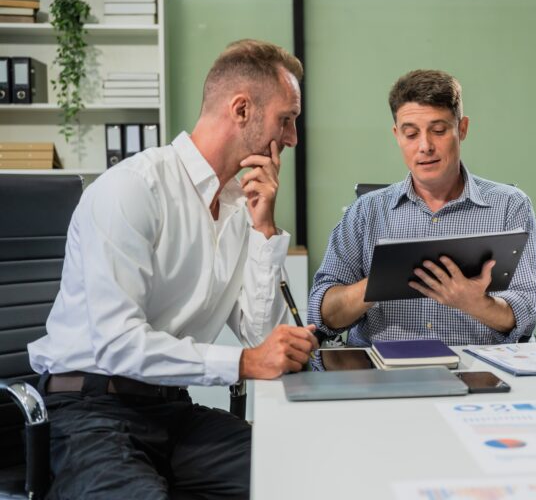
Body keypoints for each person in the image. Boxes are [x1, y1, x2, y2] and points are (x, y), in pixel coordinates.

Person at [27, 39, 319, 499]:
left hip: (173, 411)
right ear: (241, 109)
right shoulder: (132, 189)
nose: (292, 138)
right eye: (287, 119)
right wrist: (244, 363)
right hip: (88, 411)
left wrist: (264, 231)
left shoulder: (241, 206)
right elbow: (119, 345)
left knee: (310, 474)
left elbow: (259, 337)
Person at [308, 69, 536, 346]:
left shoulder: (510, 206)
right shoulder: (365, 212)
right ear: (397, 135)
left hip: (478, 370)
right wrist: (378, 284)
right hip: (383, 376)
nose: (425, 146)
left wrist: (477, 303)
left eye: (439, 130)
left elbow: (528, 307)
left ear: (462, 129)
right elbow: (321, 314)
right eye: (410, 134)